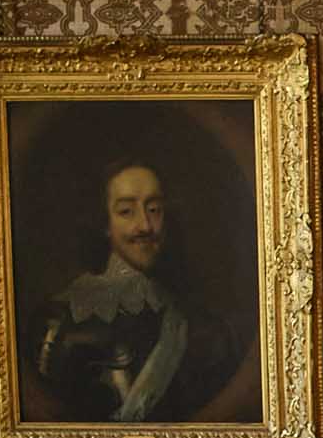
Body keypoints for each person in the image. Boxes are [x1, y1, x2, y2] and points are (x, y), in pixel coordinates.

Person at [31, 158, 238, 423]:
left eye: (154, 209)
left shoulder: (198, 323)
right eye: (127, 211)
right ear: (105, 222)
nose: (145, 226)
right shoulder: (59, 318)